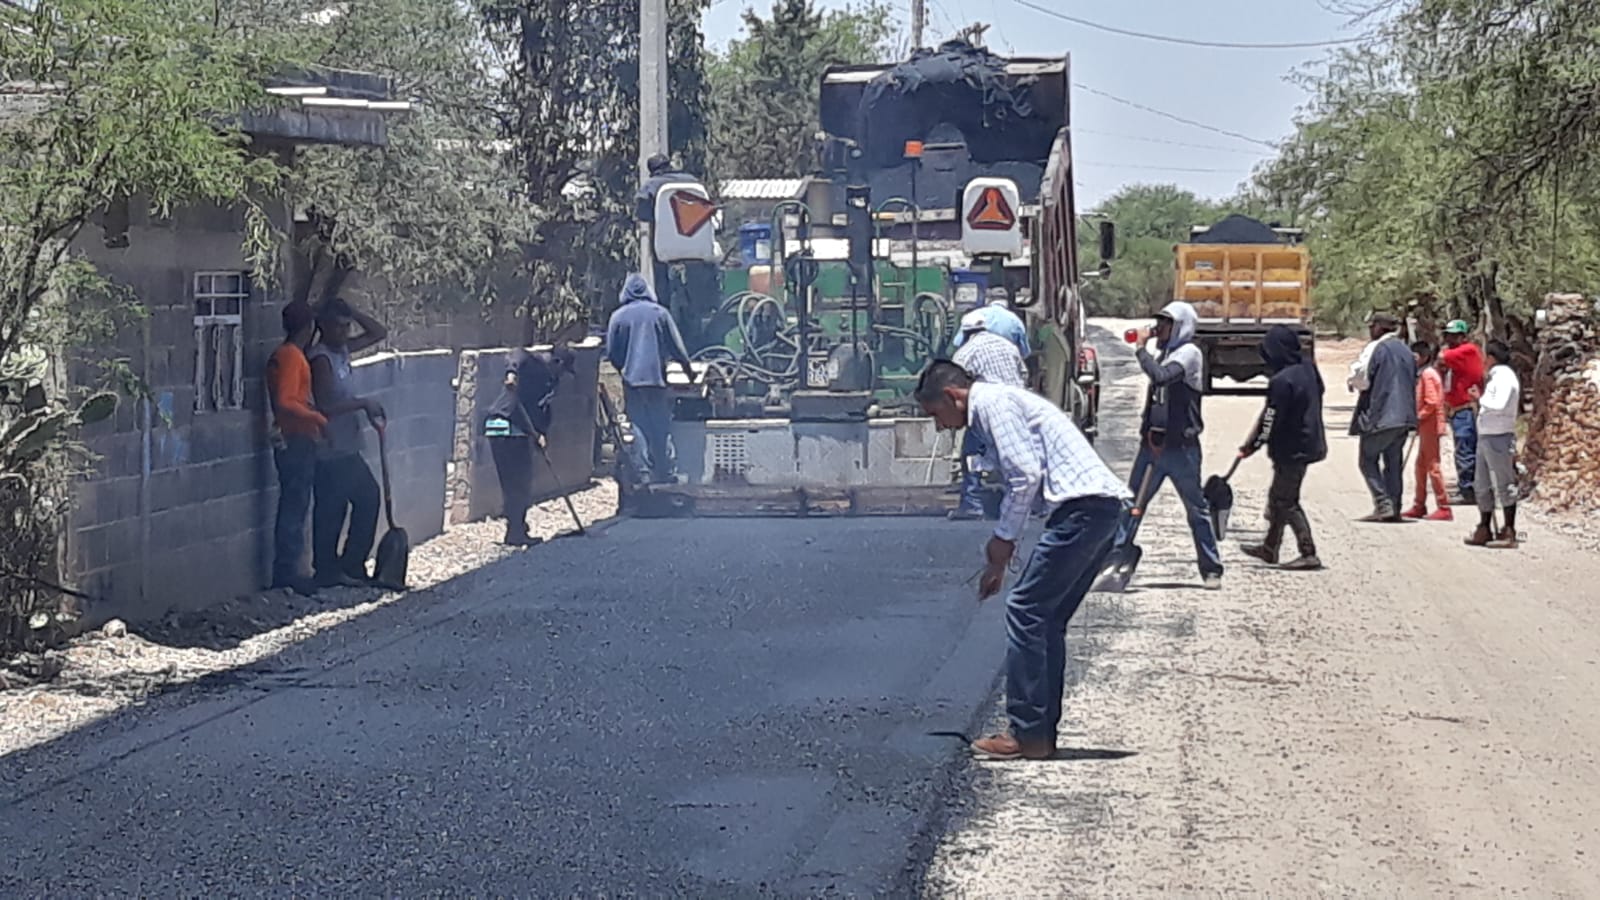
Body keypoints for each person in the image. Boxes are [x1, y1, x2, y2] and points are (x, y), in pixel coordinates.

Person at [915, 360, 1130, 761]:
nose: (940, 427)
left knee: (1027, 610)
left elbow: (1025, 476)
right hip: (1099, 510)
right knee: (1045, 619)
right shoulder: (999, 404)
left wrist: (1003, 540)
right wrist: (997, 565)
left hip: (1083, 510)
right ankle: (1038, 735)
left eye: (936, 415)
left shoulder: (993, 405)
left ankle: (1027, 732)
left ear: (952, 396)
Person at [1112, 301, 1224, 590]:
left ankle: (1211, 568)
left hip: (1181, 448)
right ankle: (1115, 563)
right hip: (1152, 445)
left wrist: (1140, 349)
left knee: (1196, 509)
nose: (1159, 328)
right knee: (1131, 506)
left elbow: (1162, 377)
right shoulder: (1166, 353)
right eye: (1158, 322)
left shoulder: (1189, 354)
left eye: (1166, 323)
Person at [307, 298, 389, 587]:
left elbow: (379, 333)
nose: (344, 332)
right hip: (329, 444)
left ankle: (350, 565)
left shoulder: (341, 351)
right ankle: (330, 570)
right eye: (338, 326)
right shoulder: (320, 359)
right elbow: (326, 404)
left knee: (364, 498)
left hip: (347, 443)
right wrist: (363, 403)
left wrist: (352, 311)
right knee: (337, 506)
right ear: (324, 327)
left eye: (346, 327)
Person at [1238, 325, 1327, 571]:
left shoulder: (1281, 381)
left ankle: (1308, 552)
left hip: (1293, 448)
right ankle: (1270, 547)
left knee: (1285, 500)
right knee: (1278, 497)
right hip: (1309, 443)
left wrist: (1252, 446)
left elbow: (1270, 419)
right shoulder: (1309, 370)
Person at [605, 273, 696, 484]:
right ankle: (665, 472)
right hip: (656, 381)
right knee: (660, 426)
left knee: (638, 425)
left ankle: (643, 473)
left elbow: (611, 352)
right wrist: (689, 372)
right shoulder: (660, 313)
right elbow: (677, 348)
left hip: (631, 382)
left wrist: (624, 368)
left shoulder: (618, 317)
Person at [484, 348, 578, 546]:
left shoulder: (550, 381)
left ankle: (516, 528)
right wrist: (512, 375)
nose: (562, 375)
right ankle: (516, 531)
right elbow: (516, 355)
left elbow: (540, 409)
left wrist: (541, 433)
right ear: (557, 362)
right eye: (563, 369)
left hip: (509, 429)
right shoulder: (534, 363)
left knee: (515, 484)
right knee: (518, 483)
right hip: (507, 426)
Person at [265, 301, 328, 596]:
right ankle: (287, 572)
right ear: (308, 327)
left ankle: (290, 570)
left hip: (295, 437)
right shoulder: (291, 357)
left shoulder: (289, 355)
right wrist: (318, 419)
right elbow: (286, 402)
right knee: (294, 505)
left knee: (296, 503)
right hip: (296, 438)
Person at [949, 310, 1029, 520]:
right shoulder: (1008, 346)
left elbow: (955, 381)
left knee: (972, 455)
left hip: (986, 411)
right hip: (1015, 408)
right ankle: (1025, 505)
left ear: (967, 333)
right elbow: (1023, 374)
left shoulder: (966, 352)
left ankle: (972, 504)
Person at [1349, 312, 1417, 522]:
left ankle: (1383, 503)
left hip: (1382, 415)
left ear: (1379, 327)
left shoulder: (1376, 348)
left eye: (1372, 326)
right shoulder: (1406, 350)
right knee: (1393, 462)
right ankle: (1394, 507)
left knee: (1367, 460)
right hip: (1405, 417)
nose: (1370, 330)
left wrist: (1352, 381)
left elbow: (1362, 379)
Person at [1465, 340, 1521, 549]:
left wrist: (1480, 399)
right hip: (1486, 434)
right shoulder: (1495, 378)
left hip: (1499, 435)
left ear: (1490, 358)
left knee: (1504, 483)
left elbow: (1499, 404)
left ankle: (1508, 530)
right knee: (1482, 484)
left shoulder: (1505, 378)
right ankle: (1485, 526)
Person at [1439, 319, 1485, 505]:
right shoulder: (1460, 355)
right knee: (1464, 448)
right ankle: (1469, 488)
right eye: (1447, 335)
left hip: (1466, 409)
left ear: (1463, 336)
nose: (1449, 339)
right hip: (1458, 409)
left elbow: (1442, 358)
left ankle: (1468, 490)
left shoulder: (1468, 351)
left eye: (1453, 335)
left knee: (1465, 450)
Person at [1405, 341, 1452, 521]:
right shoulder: (1424, 373)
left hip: (1430, 426)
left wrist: (1419, 417)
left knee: (1433, 466)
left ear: (1423, 357)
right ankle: (1419, 504)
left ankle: (1444, 506)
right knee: (1420, 466)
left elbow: (1432, 402)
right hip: (1426, 426)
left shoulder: (1428, 374)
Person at [952, 288, 1030, 358]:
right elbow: (1024, 353)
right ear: (1007, 303)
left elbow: (957, 343)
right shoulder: (1016, 321)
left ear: (987, 300)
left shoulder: (973, 315)